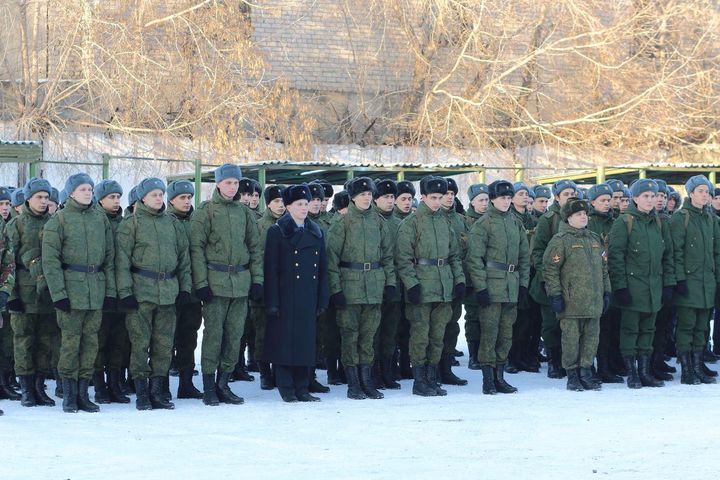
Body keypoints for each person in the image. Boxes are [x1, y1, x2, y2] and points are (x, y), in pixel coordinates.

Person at [42, 173, 116, 413]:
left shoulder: (100, 218)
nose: (87, 193)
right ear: (71, 193)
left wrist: (109, 292)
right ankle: (69, 394)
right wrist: (59, 294)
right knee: (70, 344)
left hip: (96, 289)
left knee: (91, 343)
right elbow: (50, 262)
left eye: (90, 189)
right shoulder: (59, 220)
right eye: (82, 189)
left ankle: (84, 393)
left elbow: (109, 258)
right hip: (71, 292)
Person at [190, 164, 263, 406]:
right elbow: (196, 249)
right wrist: (201, 283)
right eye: (228, 182)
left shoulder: (244, 213)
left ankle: (224, 383)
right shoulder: (206, 211)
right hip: (215, 284)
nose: (233, 187)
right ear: (219, 183)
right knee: (214, 336)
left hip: (240, 284)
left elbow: (255, 248)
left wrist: (257, 280)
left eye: (236, 183)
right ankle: (209, 386)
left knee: (234, 336)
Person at [327, 177, 395, 400]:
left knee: (368, 337)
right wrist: (336, 289)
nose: (366, 198)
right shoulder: (343, 222)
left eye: (369, 194)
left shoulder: (378, 222)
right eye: (362, 194)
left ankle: (367, 381)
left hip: (374, 287)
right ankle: (353, 383)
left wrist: (390, 284)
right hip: (350, 288)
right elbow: (331, 259)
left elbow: (387, 256)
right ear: (353, 198)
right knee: (350, 336)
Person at [395, 176, 464, 397]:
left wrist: (459, 280)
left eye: (439, 197)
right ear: (423, 197)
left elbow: (454, 256)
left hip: (443, 287)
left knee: (437, 336)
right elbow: (403, 258)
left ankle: (432, 378)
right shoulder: (411, 223)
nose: (437, 201)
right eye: (432, 197)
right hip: (422, 287)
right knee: (420, 335)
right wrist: (412, 284)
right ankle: (419, 381)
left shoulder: (446, 222)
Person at [264, 184, 329, 402]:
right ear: (289, 206)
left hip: (308, 295)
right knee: (284, 342)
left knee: (305, 342)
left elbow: (322, 269)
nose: (304, 207)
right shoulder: (276, 232)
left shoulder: (316, 232)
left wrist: (322, 299)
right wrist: (272, 301)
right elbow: (271, 270)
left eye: (306, 203)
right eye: (299, 204)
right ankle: (286, 386)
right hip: (285, 296)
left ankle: (302, 386)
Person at [608, 179, 674, 389]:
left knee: (648, 330)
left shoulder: (659, 223)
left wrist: (668, 284)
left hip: (654, 288)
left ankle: (645, 372)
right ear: (635, 198)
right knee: (630, 331)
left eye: (653, 196)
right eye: (645, 196)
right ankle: (632, 373)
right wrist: (620, 287)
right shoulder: (624, 222)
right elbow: (615, 257)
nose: (650, 200)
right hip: (633, 288)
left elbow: (668, 256)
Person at [466, 180, 529, 395]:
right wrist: (481, 288)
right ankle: (488, 379)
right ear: (492, 199)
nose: (506, 201)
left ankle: (499, 376)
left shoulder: (516, 223)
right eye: (502, 197)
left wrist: (523, 285)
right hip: (492, 286)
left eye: (509, 197)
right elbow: (474, 259)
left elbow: (524, 257)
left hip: (511, 285)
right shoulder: (483, 224)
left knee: (506, 334)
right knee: (489, 333)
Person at [543, 198, 610, 391]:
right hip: (571, 302)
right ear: (568, 218)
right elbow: (550, 270)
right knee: (571, 340)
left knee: (591, 339)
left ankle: (586, 372)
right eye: (578, 214)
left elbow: (604, 269)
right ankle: (572, 374)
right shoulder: (561, 240)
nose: (583, 217)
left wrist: (607, 291)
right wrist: (555, 295)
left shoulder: (594, 239)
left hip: (593, 301)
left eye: (585, 214)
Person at [6, 178, 58, 407]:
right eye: (39, 197)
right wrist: (12, 296)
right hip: (23, 294)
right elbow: (7, 263)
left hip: (47, 292)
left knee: (45, 342)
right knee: (24, 341)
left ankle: (39, 387)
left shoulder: (55, 223)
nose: (43, 201)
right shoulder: (16, 225)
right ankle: (27, 389)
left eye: (46, 197)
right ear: (28, 199)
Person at [670, 174, 720, 385]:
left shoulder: (711, 219)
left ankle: (698, 366)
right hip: (688, 283)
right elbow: (675, 252)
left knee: (702, 327)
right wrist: (679, 280)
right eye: (700, 191)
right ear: (690, 193)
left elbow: (717, 252)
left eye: (707, 191)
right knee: (686, 326)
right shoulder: (680, 218)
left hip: (707, 283)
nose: (705, 195)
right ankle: (687, 369)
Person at [529, 179, 577, 379]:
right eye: (566, 194)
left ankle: (569, 361)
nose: (570, 197)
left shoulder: (581, 217)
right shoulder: (548, 219)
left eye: (573, 194)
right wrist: (547, 276)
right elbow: (537, 251)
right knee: (551, 324)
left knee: (571, 324)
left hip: (574, 282)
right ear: (557, 197)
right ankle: (553, 361)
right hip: (550, 281)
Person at [92, 180, 131, 404]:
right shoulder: (94, 222)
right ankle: (99, 386)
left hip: (121, 290)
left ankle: (115, 384)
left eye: (118, 197)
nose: (116, 201)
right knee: (99, 340)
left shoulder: (124, 223)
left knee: (119, 341)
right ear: (100, 200)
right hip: (100, 291)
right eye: (111, 197)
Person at [167, 180, 204, 399]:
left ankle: (186, 383)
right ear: (171, 200)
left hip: (193, 292)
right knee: (165, 339)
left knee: (189, 338)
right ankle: (160, 385)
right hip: (170, 290)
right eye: (182, 197)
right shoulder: (165, 222)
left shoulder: (197, 222)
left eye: (189, 197)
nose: (187, 201)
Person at [585, 183, 623, 384]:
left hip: (612, 279)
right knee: (592, 328)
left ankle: (606, 366)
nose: (607, 203)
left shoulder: (616, 222)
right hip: (592, 280)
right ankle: (588, 367)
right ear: (592, 202)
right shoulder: (588, 222)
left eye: (609, 200)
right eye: (603, 200)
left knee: (609, 327)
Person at [249, 184, 285, 390]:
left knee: (282, 332)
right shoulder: (258, 226)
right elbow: (254, 257)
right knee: (262, 332)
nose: (280, 205)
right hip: (263, 287)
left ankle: (280, 370)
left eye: (283, 201)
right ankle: (264, 372)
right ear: (268, 204)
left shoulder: (291, 225)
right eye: (276, 201)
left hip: (284, 288)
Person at [372, 179, 403, 389]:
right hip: (374, 284)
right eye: (386, 197)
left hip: (396, 284)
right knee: (374, 332)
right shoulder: (371, 221)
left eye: (392, 197)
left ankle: (387, 370)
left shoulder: (400, 223)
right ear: (376, 199)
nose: (390, 201)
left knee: (391, 331)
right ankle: (374, 372)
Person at [439, 178, 468, 385]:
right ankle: (431, 369)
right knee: (435, 328)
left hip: (457, 281)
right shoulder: (432, 218)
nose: (449, 197)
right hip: (436, 281)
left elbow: (468, 252)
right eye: (445, 194)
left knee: (452, 327)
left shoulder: (461, 220)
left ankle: (446, 368)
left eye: (452, 194)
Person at [464, 183, 489, 371]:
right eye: (480, 200)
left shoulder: (492, 220)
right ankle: (473, 354)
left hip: (491, 276)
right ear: (472, 202)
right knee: (473, 318)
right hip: (471, 278)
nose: (485, 203)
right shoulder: (464, 221)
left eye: (487, 200)